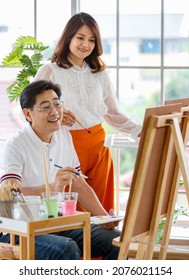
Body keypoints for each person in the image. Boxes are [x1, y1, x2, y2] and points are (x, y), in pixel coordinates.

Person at [0, 80, 121, 260]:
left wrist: (104, 218)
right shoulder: (15, 146)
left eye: (57, 104)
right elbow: (9, 194)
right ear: (28, 114)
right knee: (66, 249)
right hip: (16, 228)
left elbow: (78, 183)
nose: (55, 112)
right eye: (45, 107)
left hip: (53, 222)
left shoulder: (63, 135)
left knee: (114, 239)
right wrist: (53, 188)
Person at [33, 12, 141, 213]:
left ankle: (103, 245)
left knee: (101, 208)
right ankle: (74, 246)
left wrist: (140, 131)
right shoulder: (50, 71)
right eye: (80, 38)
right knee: (72, 207)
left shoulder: (100, 73)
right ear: (68, 38)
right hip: (68, 144)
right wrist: (55, 114)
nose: (86, 44)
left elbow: (113, 113)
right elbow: (31, 107)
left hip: (99, 144)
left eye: (91, 40)